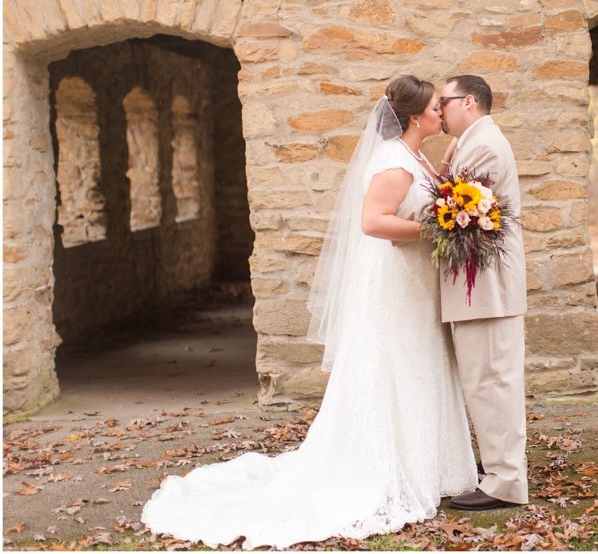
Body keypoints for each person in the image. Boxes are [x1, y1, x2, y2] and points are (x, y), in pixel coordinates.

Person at [140, 76, 477, 549]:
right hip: (396, 284)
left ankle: (429, 462)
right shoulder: (394, 161)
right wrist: (435, 228)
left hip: (415, 284)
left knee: (419, 364)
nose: (442, 112)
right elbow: (372, 221)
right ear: (418, 116)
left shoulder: (416, 156)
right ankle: (384, 465)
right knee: (395, 365)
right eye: (435, 109)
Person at [437, 75, 529, 511]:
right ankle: (497, 470)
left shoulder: (484, 146)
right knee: (485, 381)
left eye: (445, 101)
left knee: (493, 382)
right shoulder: (469, 143)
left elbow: (459, 216)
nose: (439, 110)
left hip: (486, 287)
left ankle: (505, 482)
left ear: (468, 102)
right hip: (479, 287)